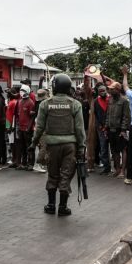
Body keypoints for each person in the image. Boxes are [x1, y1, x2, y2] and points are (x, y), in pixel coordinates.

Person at [30, 74, 86, 216]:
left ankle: (50, 205)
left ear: (55, 86)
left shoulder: (45, 104)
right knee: (66, 176)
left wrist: (33, 143)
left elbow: (39, 127)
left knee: (53, 175)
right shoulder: (75, 104)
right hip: (70, 146)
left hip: (52, 146)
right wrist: (81, 147)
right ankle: (63, 207)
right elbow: (79, 129)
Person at [105, 82, 131, 177]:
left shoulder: (124, 101)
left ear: (118, 89)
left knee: (123, 149)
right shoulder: (110, 100)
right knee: (114, 150)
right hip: (111, 129)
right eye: (110, 89)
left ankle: (123, 171)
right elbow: (108, 114)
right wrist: (106, 127)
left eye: (113, 89)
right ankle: (117, 169)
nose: (111, 91)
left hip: (120, 129)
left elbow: (126, 116)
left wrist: (123, 130)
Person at [15, 85, 37, 170]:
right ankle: (23, 163)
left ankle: (30, 164)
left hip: (28, 129)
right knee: (22, 147)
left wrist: (29, 128)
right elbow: (18, 115)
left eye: (23, 90)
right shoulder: (20, 102)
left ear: (27, 91)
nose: (21, 92)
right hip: (21, 128)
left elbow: (32, 117)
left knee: (29, 147)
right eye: (21, 90)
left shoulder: (30, 103)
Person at [92, 85, 111, 174]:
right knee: (103, 148)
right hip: (101, 128)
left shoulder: (111, 99)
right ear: (98, 92)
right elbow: (95, 114)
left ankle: (117, 168)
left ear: (106, 90)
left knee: (114, 149)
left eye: (104, 90)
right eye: (100, 91)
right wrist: (99, 125)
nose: (102, 92)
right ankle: (106, 167)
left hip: (111, 127)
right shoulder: (96, 101)